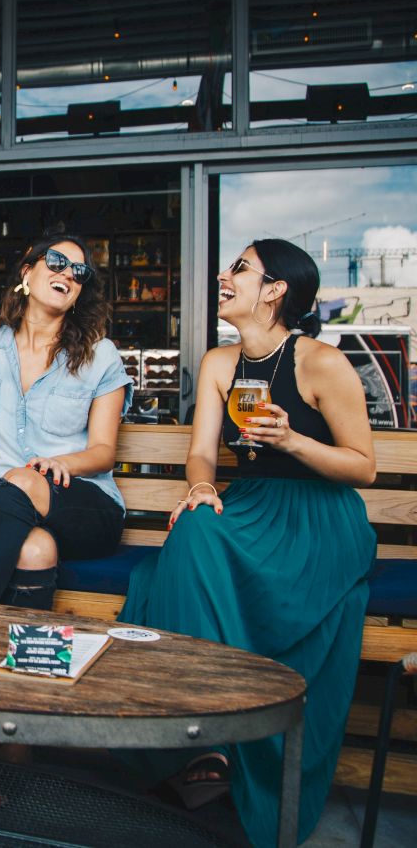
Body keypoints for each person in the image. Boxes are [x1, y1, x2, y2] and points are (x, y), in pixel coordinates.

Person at [118, 239, 376, 846]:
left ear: (276, 289)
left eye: (238, 268)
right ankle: (202, 739)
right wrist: (202, 487)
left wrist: (292, 442)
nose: (221, 276)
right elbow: (202, 452)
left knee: (178, 562)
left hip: (320, 519)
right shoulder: (218, 363)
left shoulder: (321, 363)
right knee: (194, 525)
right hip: (250, 504)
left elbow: (363, 467)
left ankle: (220, 743)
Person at [0, 235, 133, 610]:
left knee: (22, 479)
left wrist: (61, 464)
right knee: (34, 549)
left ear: (79, 293)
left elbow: (103, 453)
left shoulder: (100, 356)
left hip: (80, 502)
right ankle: (21, 660)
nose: (69, 273)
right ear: (27, 272)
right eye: (57, 261)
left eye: (79, 272)